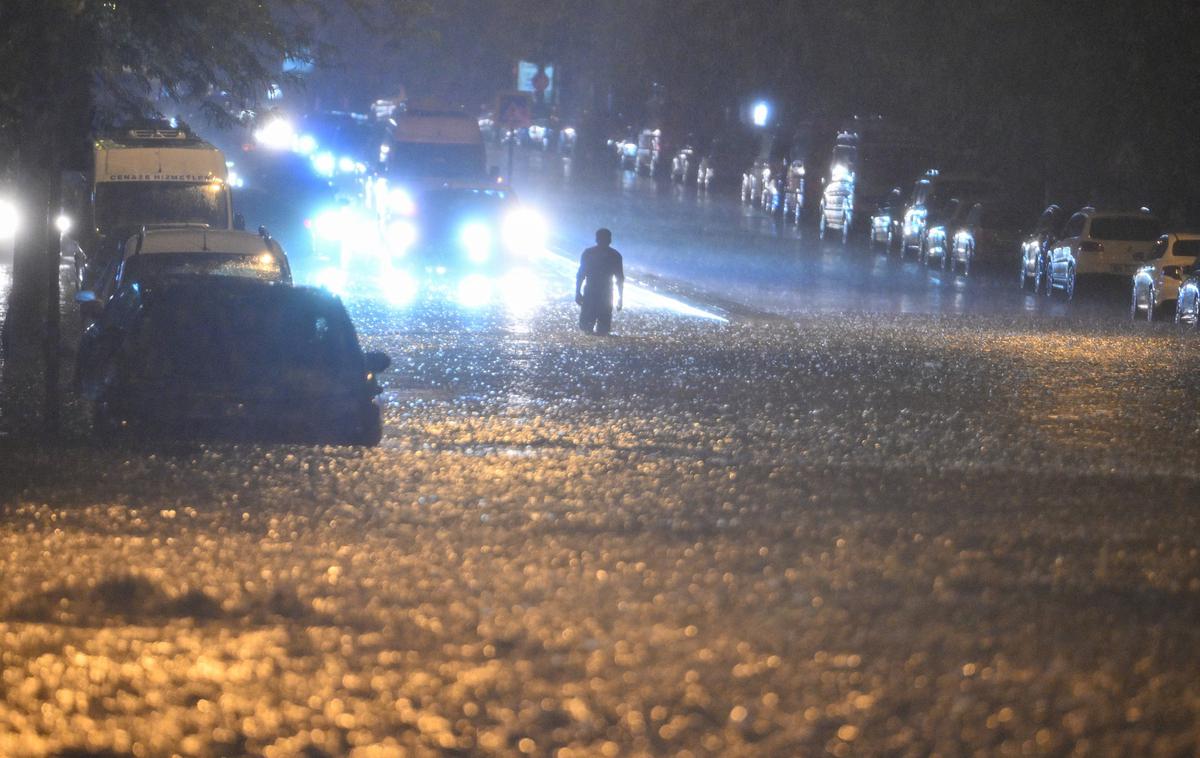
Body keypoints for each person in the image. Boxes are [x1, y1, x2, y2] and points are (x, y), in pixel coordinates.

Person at [575, 228, 624, 335]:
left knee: (586, 328)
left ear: (596, 239)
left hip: (591, 293)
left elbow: (581, 275)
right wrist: (620, 298)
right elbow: (620, 279)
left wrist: (577, 292)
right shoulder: (615, 255)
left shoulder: (589, 253)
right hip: (605, 294)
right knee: (603, 330)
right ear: (610, 240)